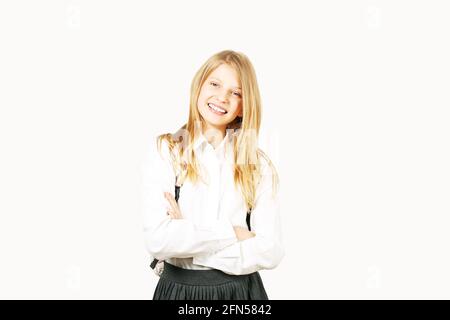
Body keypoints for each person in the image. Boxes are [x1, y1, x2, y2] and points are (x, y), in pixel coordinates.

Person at [142, 50, 284, 300]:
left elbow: (270, 250)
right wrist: (234, 233)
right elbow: (158, 240)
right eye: (215, 84)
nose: (222, 97)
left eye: (236, 92)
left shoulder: (257, 166)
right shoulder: (168, 151)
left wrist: (189, 240)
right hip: (178, 292)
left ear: (244, 105)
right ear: (199, 86)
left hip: (239, 295)